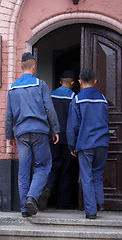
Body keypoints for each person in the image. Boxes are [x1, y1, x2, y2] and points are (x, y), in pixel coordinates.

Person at [5, 52, 60, 218]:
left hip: (21, 133)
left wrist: (9, 135)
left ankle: (24, 209)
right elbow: (49, 109)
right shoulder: (40, 84)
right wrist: (55, 129)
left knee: (23, 170)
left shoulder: (13, 88)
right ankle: (32, 197)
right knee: (43, 166)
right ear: (34, 66)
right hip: (40, 132)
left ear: (21, 66)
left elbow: (9, 115)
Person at [66, 67, 110, 219]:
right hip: (102, 142)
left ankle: (91, 211)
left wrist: (72, 145)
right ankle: (100, 202)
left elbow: (73, 127)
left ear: (79, 82)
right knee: (97, 173)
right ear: (95, 81)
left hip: (86, 143)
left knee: (86, 176)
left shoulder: (77, 99)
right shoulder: (103, 98)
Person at [38, 70, 75, 210]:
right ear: (72, 83)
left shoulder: (51, 95)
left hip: (52, 136)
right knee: (67, 169)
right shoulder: (73, 97)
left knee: (52, 166)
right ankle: (63, 203)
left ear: (60, 82)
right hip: (68, 138)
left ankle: (47, 189)